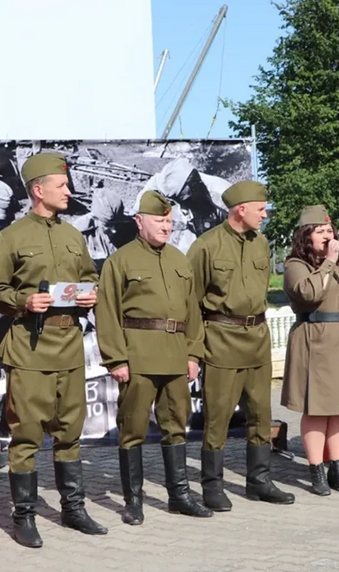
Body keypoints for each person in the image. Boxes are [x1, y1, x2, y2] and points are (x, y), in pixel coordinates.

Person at [0, 152, 107, 547]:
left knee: (70, 432)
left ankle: (73, 509)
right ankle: (25, 516)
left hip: (69, 345)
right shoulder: (12, 237)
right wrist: (23, 302)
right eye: (62, 186)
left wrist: (92, 296)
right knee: (27, 436)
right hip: (31, 349)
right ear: (39, 190)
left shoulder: (73, 236)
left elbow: (89, 278)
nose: (69, 191)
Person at [96, 190, 213, 525]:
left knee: (176, 426)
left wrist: (193, 353)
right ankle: (133, 501)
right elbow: (107, 313)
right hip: (138, 356)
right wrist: (116, 359)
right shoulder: (120, 261)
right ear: (139, 221)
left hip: (176, 356)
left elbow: (193, 311)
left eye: (169, 221)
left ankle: (179, 496)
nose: (166, 226)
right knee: (132, 429)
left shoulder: (180, 260)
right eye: (160, 220)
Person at [187, 180, 295, 511]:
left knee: (261, 414)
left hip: (257, 339)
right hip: (222, 338)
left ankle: (259, 481)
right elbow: (191, 301)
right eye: (260, 210)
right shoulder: (206, 246)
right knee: (217, 416)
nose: (265, 215)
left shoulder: (261, 243)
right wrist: (194, 349)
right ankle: (212, 485)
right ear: (241, 209)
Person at [281, 205, 339, 495]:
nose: (326, 236)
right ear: (306, 236)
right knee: (317, 410)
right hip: (315, 340)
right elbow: (310, 293)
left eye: (329, 230)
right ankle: (316, 471)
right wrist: (328, 261)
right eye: (319, 231)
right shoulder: (295, 264)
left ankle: (338, 469)